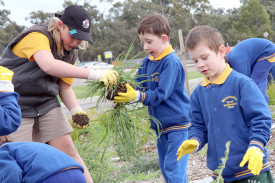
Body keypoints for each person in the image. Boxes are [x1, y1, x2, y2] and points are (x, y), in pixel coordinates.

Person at [0, 5, 118, 183]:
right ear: (60, 25)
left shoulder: (71, 51)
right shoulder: (37, 36)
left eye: (81, 38)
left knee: (69, 151)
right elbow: (48, 65)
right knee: (19, 159)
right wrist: (95, 74)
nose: (76, 42)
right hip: (16, 105)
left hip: (46, 104)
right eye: (73, 35)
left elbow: (65, 87)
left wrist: (76, 109)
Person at [177, 25, 274, 182]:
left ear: (221, 52)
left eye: (204, 57)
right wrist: (194, 140)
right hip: (221, 173)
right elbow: (198, 126)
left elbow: (260, 119)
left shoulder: (242, 84)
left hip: (252, 169)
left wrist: (256, 146)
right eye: (195, 60)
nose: (200, 64)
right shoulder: (198, 94)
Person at [114, 13, 190, 183]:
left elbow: (161, 94)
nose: (145, 46)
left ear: (164, 38)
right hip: (159, 125)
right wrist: (123, 89)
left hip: (177, 124)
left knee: (174, 167)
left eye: (149, 41)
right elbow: (138, 85)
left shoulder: (171, 62)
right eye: (143, 42)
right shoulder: (147, 62)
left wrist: (137, 96)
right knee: (165, 167)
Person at [0, 136, 86, 183]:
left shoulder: (3, 152)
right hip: (76, 173)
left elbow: (13, 173)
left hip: (51, 178)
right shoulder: (22, 146)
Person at [226, 38, 275, 102]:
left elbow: (245, 83)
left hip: (267, 51)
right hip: (258, 52)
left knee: (255, 84)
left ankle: (262, 108)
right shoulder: (228, 59)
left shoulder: (237, 63)